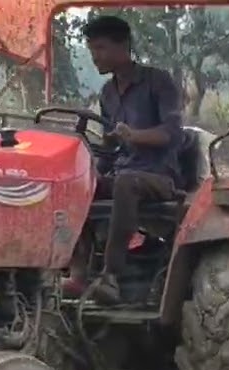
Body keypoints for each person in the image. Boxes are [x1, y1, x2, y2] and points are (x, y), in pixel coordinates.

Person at [63, 15, 183, 305]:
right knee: (76, 183)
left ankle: (110, 276)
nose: (95, 57)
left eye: (101, 49)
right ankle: (78, 271)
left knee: (127, 184)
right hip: (123, 171)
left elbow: (172, 132)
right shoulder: (107, 92)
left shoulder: (158, 82)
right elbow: (111, 145)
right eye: (92, 50)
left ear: (123, 46)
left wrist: (133, 135)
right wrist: (96, 160)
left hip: (159, 175)